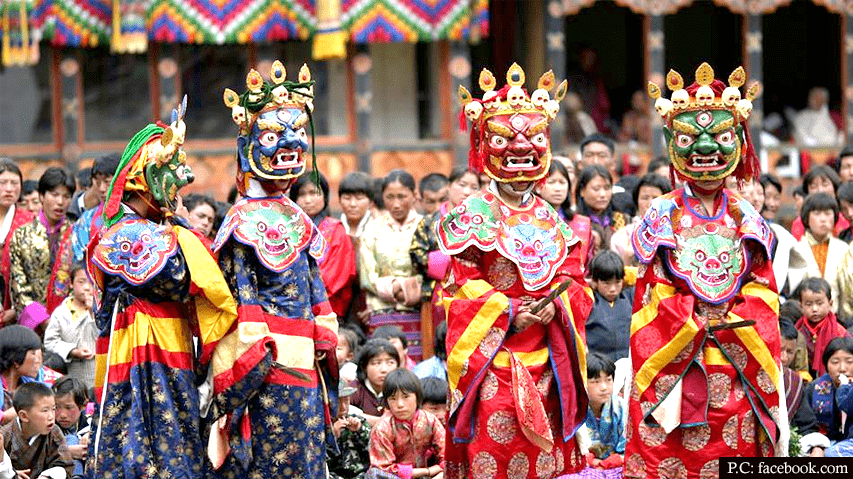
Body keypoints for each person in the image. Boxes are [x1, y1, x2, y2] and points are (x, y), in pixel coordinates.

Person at [628, 63, 784, 477]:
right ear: (671, 144)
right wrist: (692, 320)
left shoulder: (746, 215)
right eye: (690, 138)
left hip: (737, 360)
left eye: (720, 137)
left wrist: (731, 318)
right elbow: (650, 291)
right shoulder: (662, 213)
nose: (706, 146)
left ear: (739, 143)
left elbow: (764, 290)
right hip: (678, 361)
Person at [443, 64, 593, 478]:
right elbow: (460, 286)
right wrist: (509, 311)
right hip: (495, 357)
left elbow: (574, 278)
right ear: (484, 145)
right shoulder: (473, 214)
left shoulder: (551, 216)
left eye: (533, 138)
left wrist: (556, 304)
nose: (520, 148)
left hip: (551, 358)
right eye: (504, 139)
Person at [86, 102, 238, 478]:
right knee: (144, 428)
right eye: (173, 176)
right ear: (148, 178)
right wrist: (182, 226)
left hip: (168, 340)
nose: (180, 186)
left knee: (177, 418)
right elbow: (176, 275)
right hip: (143, 342)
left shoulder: (159, 229)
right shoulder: (127, 231)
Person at [210, 63, 338, 478]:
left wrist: (325, 320)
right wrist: (254, 348)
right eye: (271, 136)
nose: (290, 143)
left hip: (306, 352)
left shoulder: (297, 215)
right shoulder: (240, 219)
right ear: (248, 144)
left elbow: (312, 276)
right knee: (271, 453)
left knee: (307, 448)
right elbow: (241, 295)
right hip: (266, 355)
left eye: (298, 132)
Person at [359, 170, 424, 357]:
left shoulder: (426, 226)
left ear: (414, 196)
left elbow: (432, 271)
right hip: (381, 310)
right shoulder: (372, 229)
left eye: (402, 196)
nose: (396, 204)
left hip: (417, 311)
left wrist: (405, 287)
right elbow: (367, 275)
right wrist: (393, 287)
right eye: (390, 197)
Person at [410, 167, 480, 334]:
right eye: (461, 184)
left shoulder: (483, 224)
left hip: (474, 294)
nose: (466, 191)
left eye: (474, 187)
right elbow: (415, 256)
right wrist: (448, 259)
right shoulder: (429, 222)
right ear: (449, 186)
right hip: (436, 292)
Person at [9, 167, 76, 326]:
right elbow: (18, 286)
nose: (60, 202)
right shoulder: (22, 235)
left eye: (66, 196)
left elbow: (81, 279)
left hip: (70, 322)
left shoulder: (77, 233)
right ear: (41, 196)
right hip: (34, 324)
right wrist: (44, 320)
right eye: (54, 195)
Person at [291, 171, 357, 318]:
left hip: (326, 311)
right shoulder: (287, 232)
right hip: (291, 309)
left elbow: (335, 279)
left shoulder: (336, 231)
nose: (308, 200)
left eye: (314, 193)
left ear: (325, 197)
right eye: (301, 194)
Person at [366, 368, 445, 479]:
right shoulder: (382, 428)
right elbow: (383, 467)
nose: (400, 404)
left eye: (406, 397)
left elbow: (446, 455)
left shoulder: (430, 420)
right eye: (393, 398)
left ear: (417, 397)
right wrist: (428, 471)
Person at [0, 383, 73, 479]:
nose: (51, 417)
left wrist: (49, 475)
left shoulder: (54, 431)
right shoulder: (5, 434)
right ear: (24, 416)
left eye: (53, 409)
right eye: (45, 410)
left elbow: (65, 465)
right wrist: (12, 472)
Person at [778, 320, 828, 457]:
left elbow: (807, 426)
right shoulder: (748, 378)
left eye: (790, 352)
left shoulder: (794, 383)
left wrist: (816, 447)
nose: (784, 358)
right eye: (779, 349)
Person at [43, 264, 95, 389]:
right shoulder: (61, 313)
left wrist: (94, 313)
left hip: (99, 372)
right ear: (71, 284)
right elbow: (50, 341)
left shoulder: (101, 311)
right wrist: (72, 351)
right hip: (75, 373)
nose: (87, 287)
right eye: (81, 282)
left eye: (91, 282)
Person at [537, 161, 594, 269]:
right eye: (551, 182)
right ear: (538, 186)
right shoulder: (529, 220)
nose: (558, 188)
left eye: (562, 182)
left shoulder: (580, 222)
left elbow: (588, 265)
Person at [797, 193, 848, 309]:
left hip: (839, 318)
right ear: (806, 217)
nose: (823, 219)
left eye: (827, 213)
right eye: (817, 214)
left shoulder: (844, 249)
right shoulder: (797, 250)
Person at [0, 159, 34, 327]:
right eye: (3, 183)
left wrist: (16, 308)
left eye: (14, 183)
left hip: (18, 306)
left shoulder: (29, 220)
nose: (9, 189)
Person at [69, 155, 121, 263]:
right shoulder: (87, 219)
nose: (101, 189)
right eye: (97, 183)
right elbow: (79, 259)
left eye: (107, 182)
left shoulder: (136, 214)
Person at [610, 173, 670, 266]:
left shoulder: (676, 234)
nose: (650, 203)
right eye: (644, 198)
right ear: (636, 201)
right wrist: (627, 260)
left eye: (656, 198)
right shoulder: (620, 236)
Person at [795, 277, 850, 378]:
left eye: (819, 303)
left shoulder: (839, 331)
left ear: (830, 304)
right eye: (808, 304)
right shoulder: (797, 331)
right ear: (801, 306)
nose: (814, 309)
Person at [806, 337, 853, 452]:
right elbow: (806, 424)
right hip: (821, 445)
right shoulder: (814, 388)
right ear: (826, 365)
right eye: (835, 362)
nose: (842, 368)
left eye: (849, 362)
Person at [586, 251, 633, 362]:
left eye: (617, 282)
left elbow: (642, 276)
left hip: (628, 362)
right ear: (595, 281)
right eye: (606, 283)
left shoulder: (630, 295)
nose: (613, 289)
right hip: (598, 365)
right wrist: (587, 283)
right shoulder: (587, 299)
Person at [584, 352, 626, 472]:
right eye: (596, 382)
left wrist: (608, 463)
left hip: (616, 467)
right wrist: (591, 461)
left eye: (608, 380)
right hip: (584, 467)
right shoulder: (575, 410)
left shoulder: (620, 407)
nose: (604, 387)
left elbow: (627, 449)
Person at [576, 164, 628, 248]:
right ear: (582, 191)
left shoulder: (623, 220)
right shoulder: (573, 223)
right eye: (596, 189)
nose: (603, 194)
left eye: (607, 188)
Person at [328, 378, 371, 479]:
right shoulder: (320, 428)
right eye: (338, 402)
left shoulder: (358, 421)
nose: (343, 407)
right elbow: (319, 464)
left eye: (346, 401)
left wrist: (360, 430)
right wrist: (332, 438)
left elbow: (374, 451)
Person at [0, 326, 44, 424]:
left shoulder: (32, 386)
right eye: (33, 354)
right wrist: (5, 417)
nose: (37, 361)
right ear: (16, 360)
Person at [351, 338, 399, 425]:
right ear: (364, 366)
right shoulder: (354, 389)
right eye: (377, 363)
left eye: (390, 363)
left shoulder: (403, 389)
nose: (384, 370)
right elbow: (344, 412)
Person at [791, 165, 847, 240]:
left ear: (835, 188)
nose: (820, 190)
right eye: (814, 186)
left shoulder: (847, 217)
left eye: (825, 185)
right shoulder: (799, 223)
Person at [52, 377, 89, 478]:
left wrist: (90, 435)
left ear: (83, 405)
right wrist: (67, 451)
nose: (62, 414)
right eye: (56, 407)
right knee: (71, 439)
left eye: (68, 408)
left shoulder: (91, 424)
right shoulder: (48, 425)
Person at [340, 171, 375, 238]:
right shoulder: (331, 229)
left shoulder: (380, 230)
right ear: (340, 200)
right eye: (347, 198)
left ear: (371, 202)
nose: (353, 204)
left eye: (359, 198)